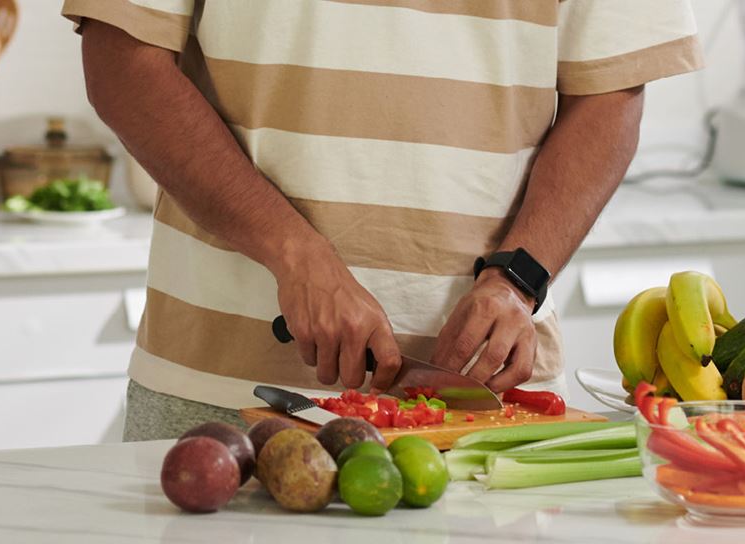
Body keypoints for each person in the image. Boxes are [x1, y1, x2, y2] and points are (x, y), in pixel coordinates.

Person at [63, 0, 703, 441]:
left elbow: (611, 93)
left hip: (490, 403)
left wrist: (519, 279)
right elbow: (123, 63)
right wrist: (294, 255)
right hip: (226, 388)